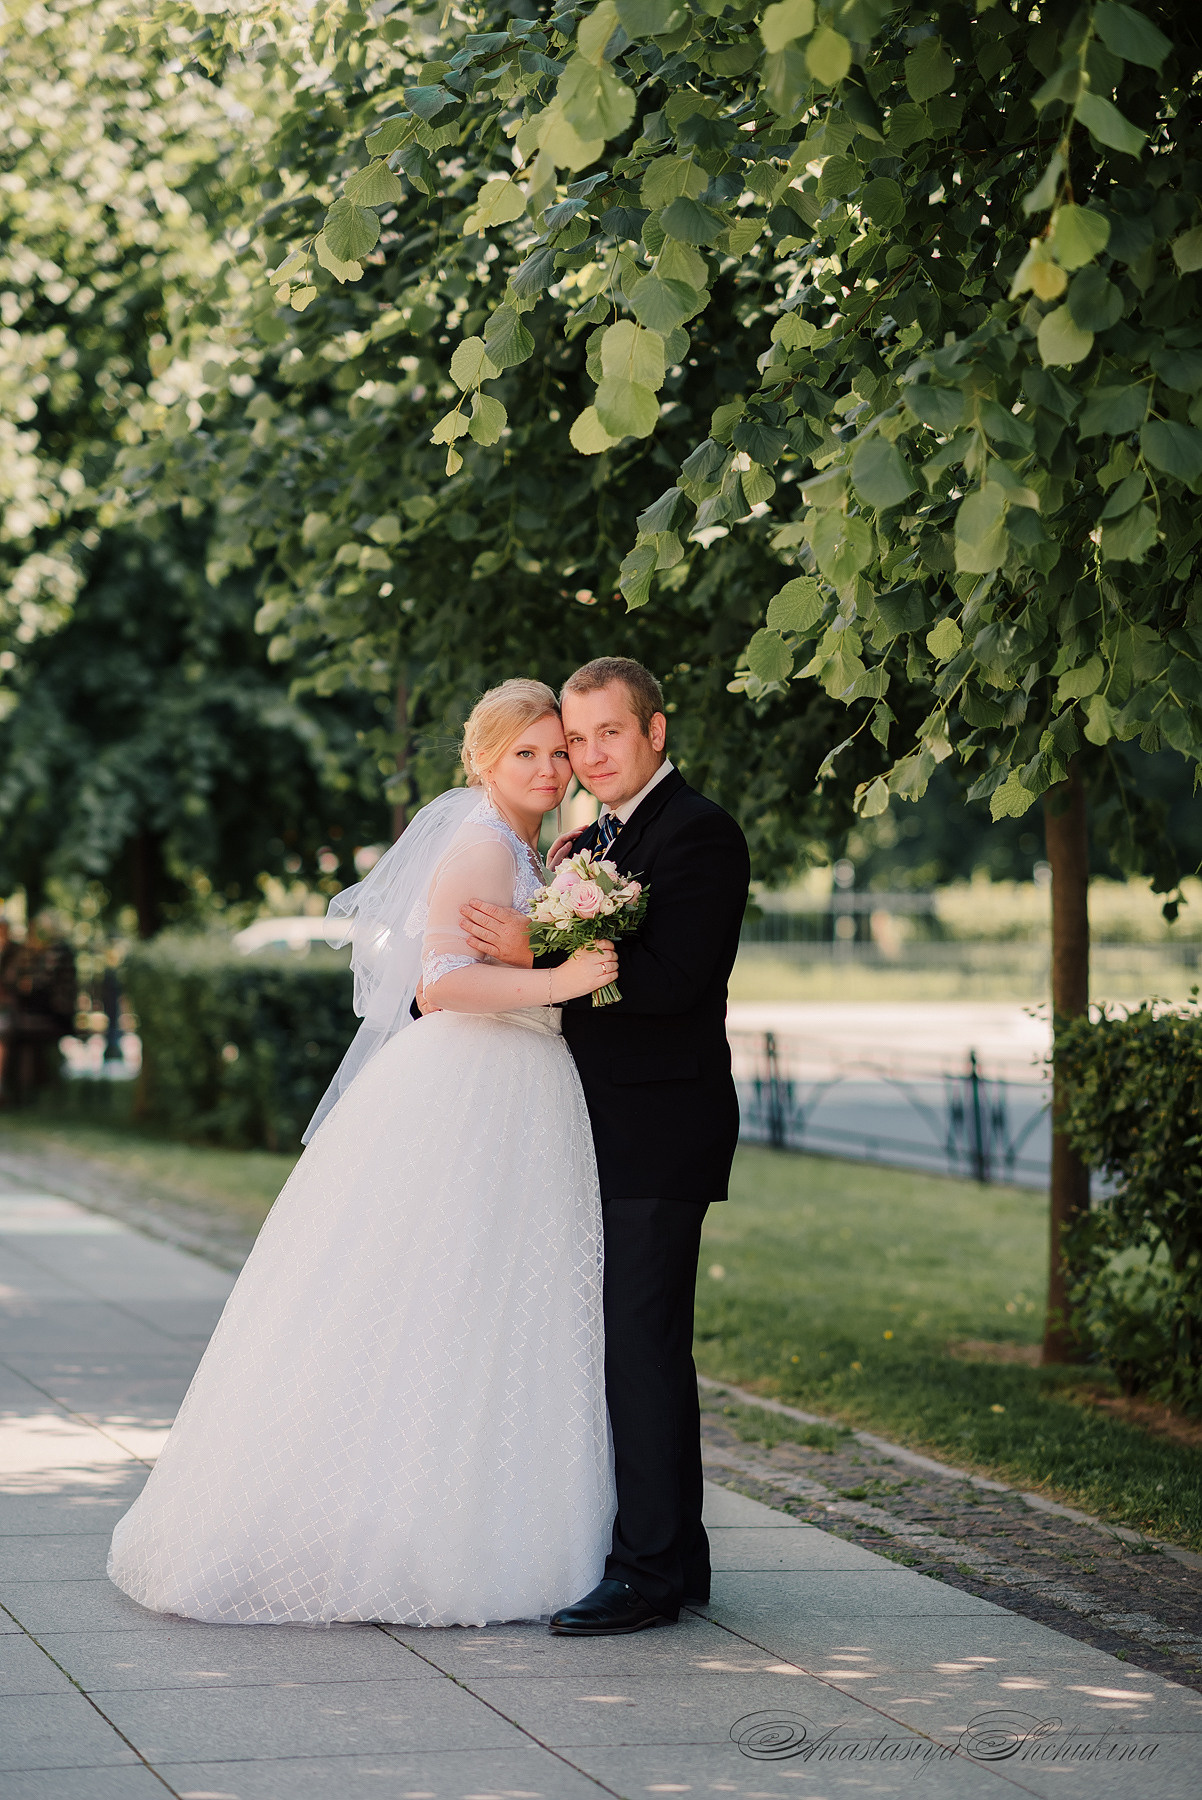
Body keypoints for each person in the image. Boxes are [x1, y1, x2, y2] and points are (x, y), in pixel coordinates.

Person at [108, 680, 619, 1627]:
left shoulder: (528, 846)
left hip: (518, 1084)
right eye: (528, 755)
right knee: (440, 1292)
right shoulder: (477, 842)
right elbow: (442, 984)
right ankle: (399, 1534)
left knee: (493, 1300)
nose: (550, 771)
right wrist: (566, 977)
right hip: (475, 1083)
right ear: (483, 761)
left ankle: (464, 1519)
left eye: (558, 754)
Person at [458, 657, 751, 1635]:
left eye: (606, 735)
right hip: (594, 1127)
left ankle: (645, 1574)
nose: (588, 755)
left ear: (654, 732)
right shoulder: (587, 839)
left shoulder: (700, 832)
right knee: (641, 1345)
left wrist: (534, 950)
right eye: (576, 740)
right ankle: (683, 1554)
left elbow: (671, 980)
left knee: (640, 1345)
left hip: (662, 1127)